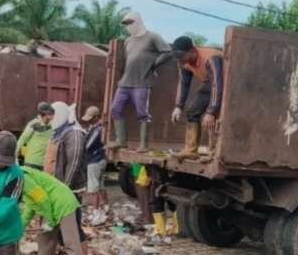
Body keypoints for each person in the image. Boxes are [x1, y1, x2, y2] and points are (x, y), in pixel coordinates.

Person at [107, 12, 174, 151]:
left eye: (130, 23)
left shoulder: (152, 37)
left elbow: (168, 52)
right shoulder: (128, 41)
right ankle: (121, 141)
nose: (127, 27)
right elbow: (129, 59)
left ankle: (143, 145)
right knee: (115, 109)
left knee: (142, 113)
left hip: (142, 82)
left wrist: (154, 64)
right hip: (125, 82)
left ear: (138, 22)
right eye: (125, 24)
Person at [22, 165, 91, 255]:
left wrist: (50, 221)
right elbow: (31, 205)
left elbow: (42, 199)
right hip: (50, 205)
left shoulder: (22, 179)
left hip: (63, 203)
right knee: (44, 241)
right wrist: (21, 227)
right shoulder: (16, 178)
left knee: (71, 244)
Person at [170, 36, 225, 161]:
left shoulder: (211, 58)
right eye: (177, 58)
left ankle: (214, 154)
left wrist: (211, 111)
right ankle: (191, 151)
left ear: (192, 50)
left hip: (225, 84)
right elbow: (184, 83)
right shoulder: (184, 63)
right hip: (210, 84)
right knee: (192, 111)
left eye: (182, 57)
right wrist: (178, 106)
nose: (180, 61)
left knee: (214, 117)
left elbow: (217, 84)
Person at [81, 106, 108, 209]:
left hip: (94, 161)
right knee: (101, 186)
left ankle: (96, 211)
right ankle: (105, 208)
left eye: (91, 118)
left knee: (93, 189)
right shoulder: (98, 127)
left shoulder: (98, 130)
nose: (89, 121)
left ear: (96, 117)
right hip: (101, 159)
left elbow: (88, 146)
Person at [17, 102, 55, 170]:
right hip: (31, 163)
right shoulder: (33, 124)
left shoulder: (51, 126)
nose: (53, 115)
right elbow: (22, 140)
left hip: (44, 164)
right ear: (45, 114)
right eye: (50, 113)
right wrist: (14, 158)